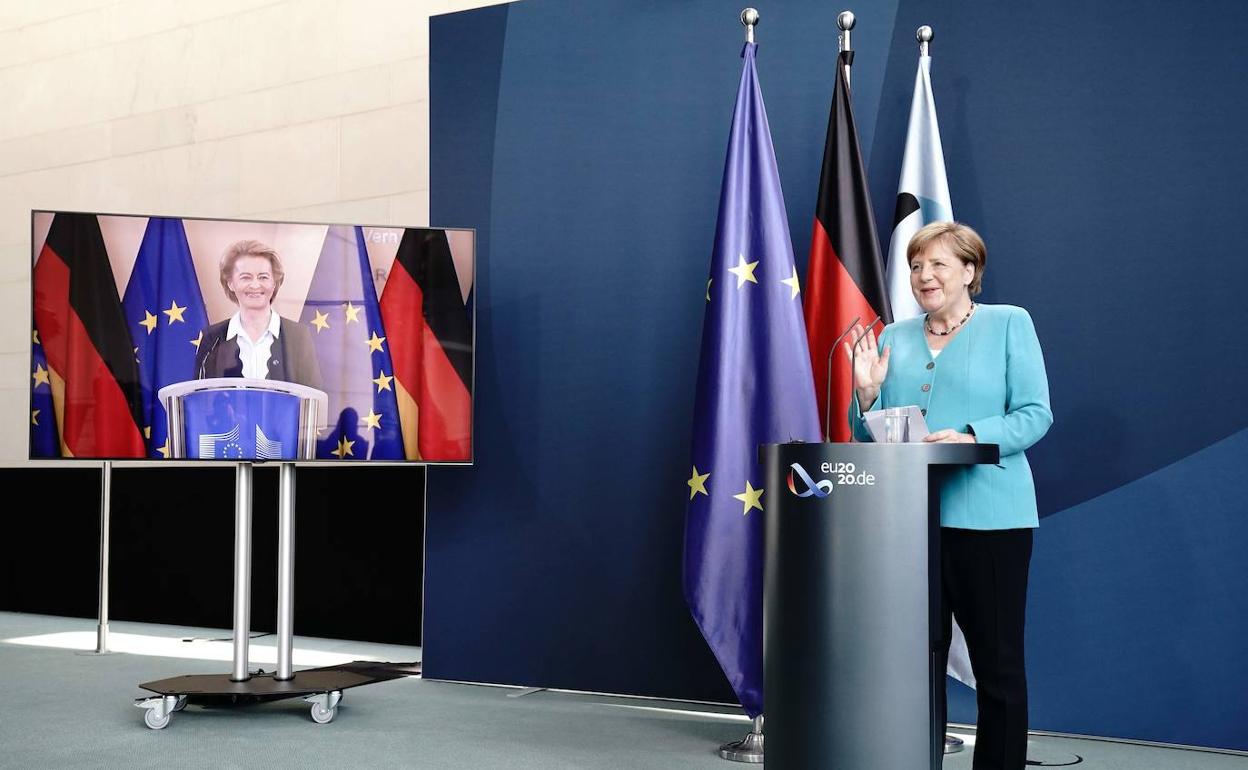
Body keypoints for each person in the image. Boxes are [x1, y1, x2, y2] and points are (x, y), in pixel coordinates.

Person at [846, 221, 1052, 770]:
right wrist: (865, 396)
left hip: (991, 519)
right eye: (916, 266)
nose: (924, 276)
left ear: (969, 270)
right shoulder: (892, 337)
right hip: (908, 523)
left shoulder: (1009, 324)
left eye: (938, 264)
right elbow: (869, 434)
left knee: (997, 664)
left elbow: (1035, 414)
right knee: (914, 665)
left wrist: (971, 436)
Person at [195, 239, 323, 391]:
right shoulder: (212, 339)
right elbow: (200, 399)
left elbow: (313, 398)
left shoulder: (298, 336)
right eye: (246, 277)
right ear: (230, 283)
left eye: (263, 277)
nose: (255, 285)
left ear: (274, 283)